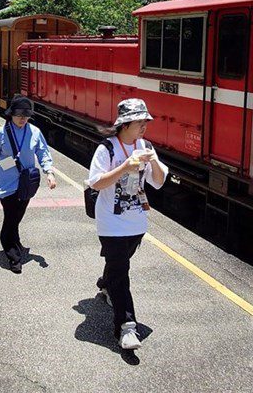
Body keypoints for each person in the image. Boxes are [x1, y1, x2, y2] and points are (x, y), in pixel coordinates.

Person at [86, 98, 167, 351]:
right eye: (140, 122)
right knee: (122, 274)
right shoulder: (107, 149)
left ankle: (105, 284)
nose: (144, 126)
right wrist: (125, 166)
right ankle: (126, 327)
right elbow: (96, 183)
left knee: (118, 267)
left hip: (137, 222)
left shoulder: (146, 145)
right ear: (125, 124)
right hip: (111, 222)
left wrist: (152, 160)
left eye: (146, 122)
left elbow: (159, 181)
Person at [0, 95, 57, 273]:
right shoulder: (1, 133)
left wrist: (49, 173)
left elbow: (43, 153)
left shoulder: (34, 132)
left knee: (17, 217)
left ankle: (16, 241)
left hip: (26, 183)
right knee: (11, 218)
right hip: (6, 183)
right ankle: (13, 256)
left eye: (26, 115)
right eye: (19, 115)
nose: (22, 118)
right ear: (11, 114)